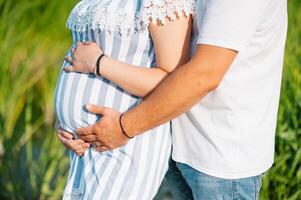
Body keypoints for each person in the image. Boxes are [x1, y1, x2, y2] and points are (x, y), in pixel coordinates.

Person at [68, 0, 288, 199]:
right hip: (178, 140)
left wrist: (123, 128)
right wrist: (73, 122)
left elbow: (205, 74)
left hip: (219, 155)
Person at [54, 0, 195, 199]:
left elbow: (175, 82)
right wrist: (66, 120)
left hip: (125, 142)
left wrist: (99, 63)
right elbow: (81, 54)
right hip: (84, 145)